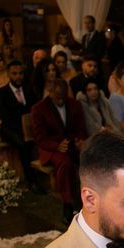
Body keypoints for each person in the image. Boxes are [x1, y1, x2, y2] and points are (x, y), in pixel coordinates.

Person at [31, 78, 87, 224]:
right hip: (50, 147)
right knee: (65, 164)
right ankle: (67, 205)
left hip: (71, 144)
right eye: (57, 97)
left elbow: (81, 128)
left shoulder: (74, 104)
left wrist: (80, 140)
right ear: (49, 93)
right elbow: (39, 138)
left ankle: (91, 199)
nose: (61, 100)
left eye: (63, 96)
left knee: (90, 158)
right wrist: (56, 146)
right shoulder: (39, 109)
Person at [0, 60, 40, 191]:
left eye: (20, 73)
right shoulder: (1, 93)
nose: (18, 76)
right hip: (10, 129)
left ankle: (41, 172)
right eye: (14, 73)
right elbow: (5, 118)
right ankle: (31, 180)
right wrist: (23, 130)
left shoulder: (29, 90)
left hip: (28, 127)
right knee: (24, 143)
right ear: (8, 74)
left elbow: (35, 110)